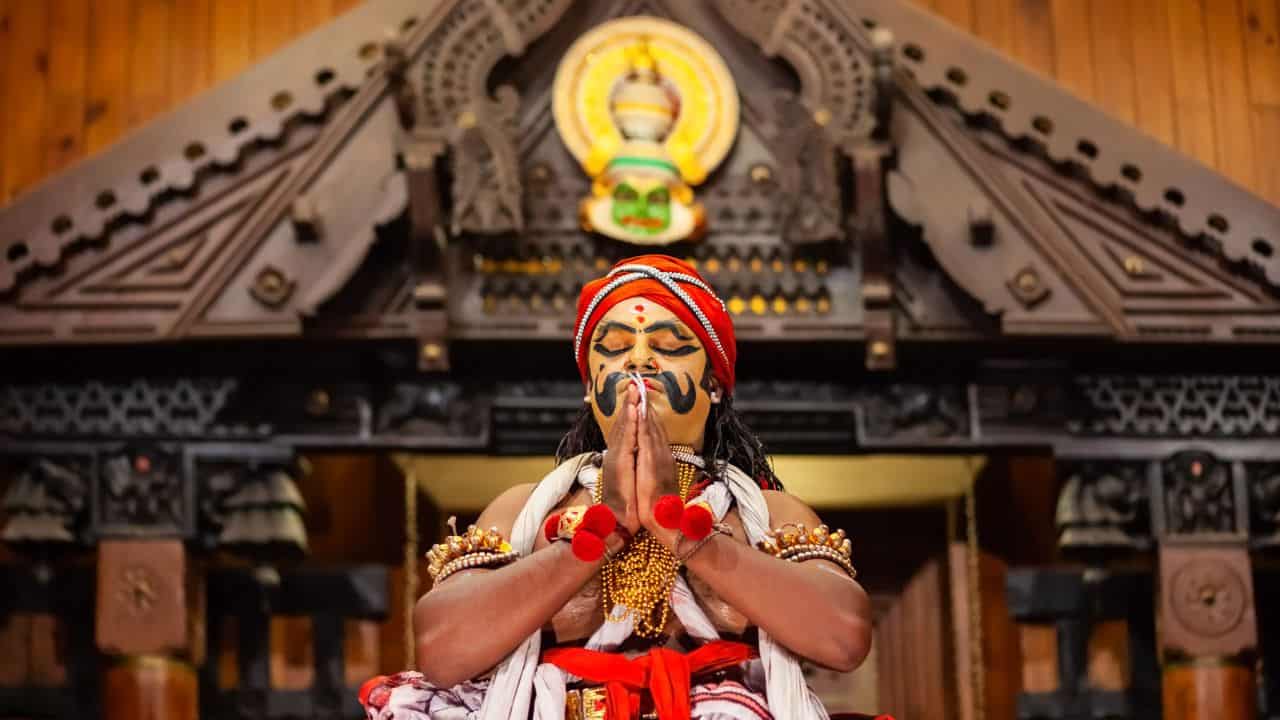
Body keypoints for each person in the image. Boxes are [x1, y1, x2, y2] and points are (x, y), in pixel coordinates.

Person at [360, 255, 881, 720]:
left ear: (715, 384)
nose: (638, 360)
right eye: (615, 348)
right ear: (590, 386)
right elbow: (442, 649)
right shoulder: (527, 509)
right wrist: (596, 537)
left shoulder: (765, 513)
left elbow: (844, 636)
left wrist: (686, 535)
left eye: (669, 346)